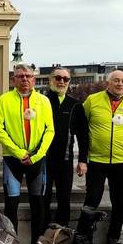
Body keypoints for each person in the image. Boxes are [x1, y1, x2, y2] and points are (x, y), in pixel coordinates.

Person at [0, 63, 54, 244]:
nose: (25, 79)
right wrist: (19, 153)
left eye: (28, 76)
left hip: (37, 159)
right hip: (13, 160)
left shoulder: (43, 101)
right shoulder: (4, 100)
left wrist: (37, 155)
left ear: (34, 79)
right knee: (11, 204)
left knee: (38, 202)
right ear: (13, 80)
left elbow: (49, 130)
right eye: (20, 76)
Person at [78, 70, 123, 244]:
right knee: (92, 198)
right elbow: (83, 126)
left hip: (121, 160)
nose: (121, 84)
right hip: (97, 159)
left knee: (119, 201)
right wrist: (85, 153)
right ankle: (82, 236)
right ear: (108, 83)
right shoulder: (93, 100)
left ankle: (113, 238)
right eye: (117, 81)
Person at [43, 67, 89, 226]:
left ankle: (63, 236)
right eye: (57, 78)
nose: (61, 81)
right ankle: (43, 236)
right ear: (51, 80)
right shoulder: (42, 101)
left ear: (69, 82)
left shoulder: (75, 105)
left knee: (64, 199)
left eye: (65, 79)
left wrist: (83, 160)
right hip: (43, 160)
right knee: (43, 199)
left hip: (65, 160)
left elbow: (83, 135)